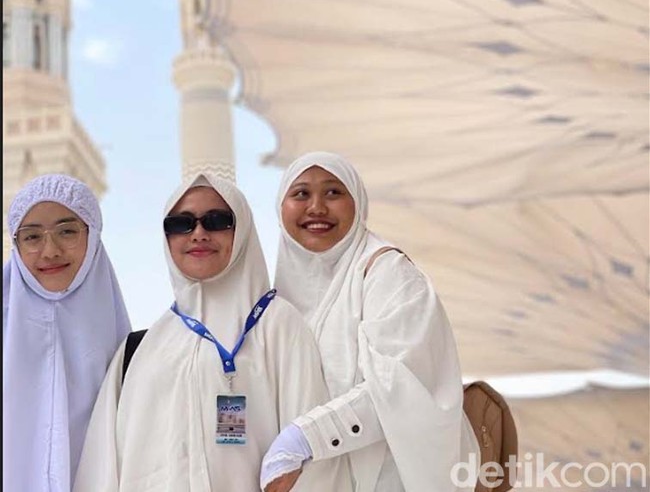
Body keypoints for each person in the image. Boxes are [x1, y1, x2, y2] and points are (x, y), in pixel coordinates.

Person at [74, 171, 352, 492]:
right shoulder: (138, 350)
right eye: (181, 223)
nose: (199, 234)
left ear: (243, 229)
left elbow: (314, 459)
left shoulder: (278, 326)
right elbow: (102, 469)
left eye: (217, 220)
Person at [260, 151, 479, 492]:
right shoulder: (277, 298)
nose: (316, 207)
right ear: (280, 206)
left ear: (357, 203)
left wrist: (303, 439)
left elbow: (400, 385)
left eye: (333, 192)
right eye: (300, 193)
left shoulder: (389, 274)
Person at [3, 173, 131, 492]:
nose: (50, 251)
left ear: (93, 237)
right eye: (32, 237)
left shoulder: (133, 352)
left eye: (67, 231)